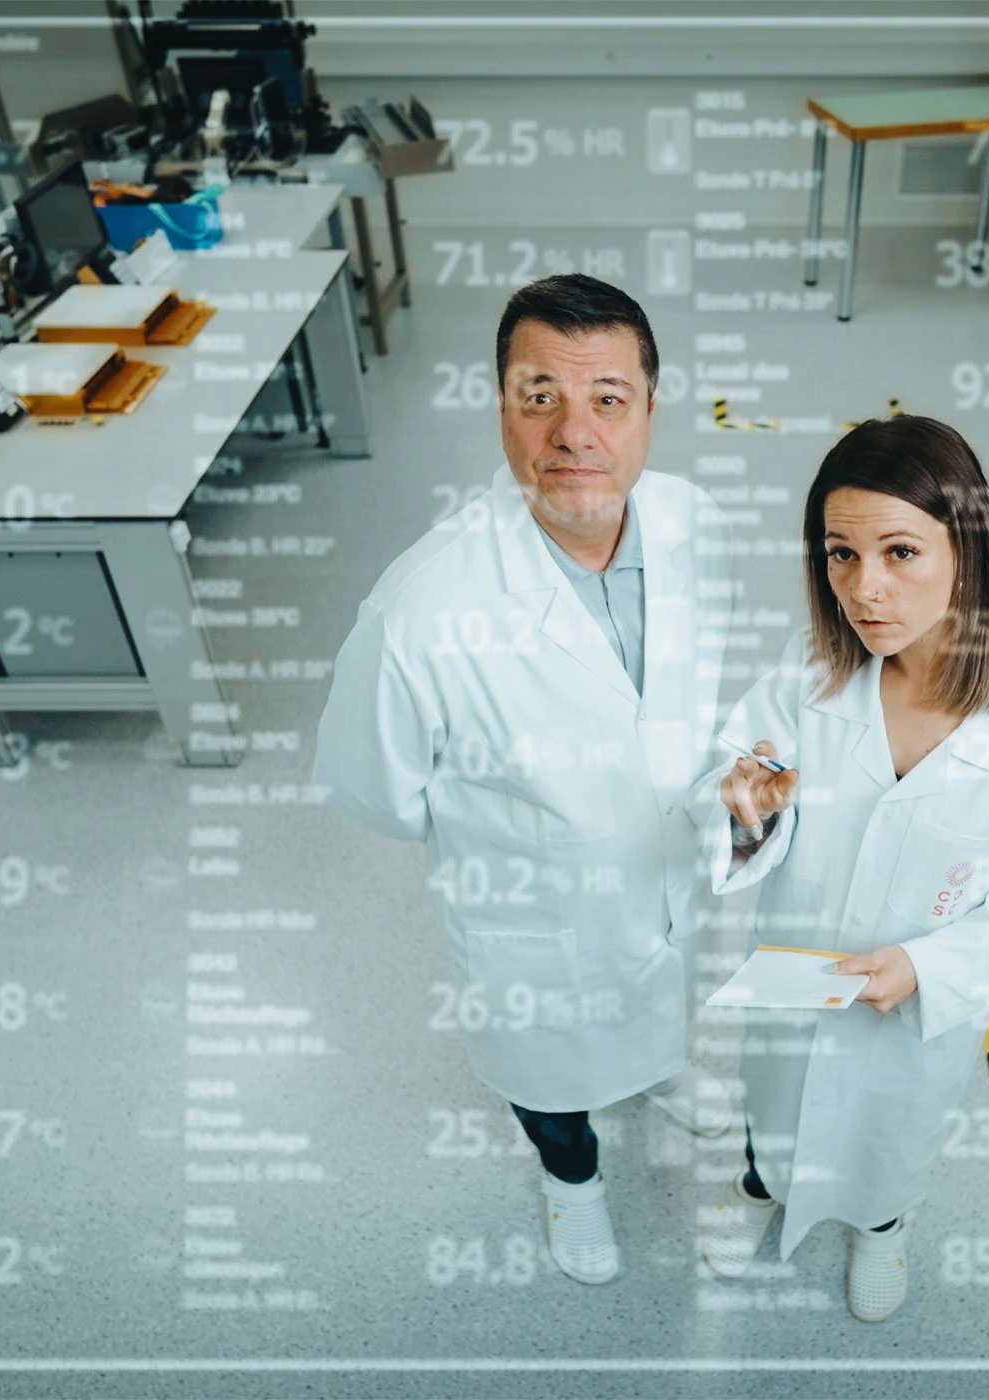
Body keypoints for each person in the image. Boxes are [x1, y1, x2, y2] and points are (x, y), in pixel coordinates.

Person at [314, 275, 732, 1286]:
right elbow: (376, 790)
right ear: (500, 404)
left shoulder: (690, 520)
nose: (574, 431)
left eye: (609, 399)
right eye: (539, 394)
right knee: (551, 1072)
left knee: (665, 991)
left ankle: (656, 1070)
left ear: (650, 410)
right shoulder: (423, 608)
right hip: (530, 921)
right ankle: (571, 1178)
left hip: (671, 873)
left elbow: (687, 697)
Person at [685, 416, 989, 1322]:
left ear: (965, 547)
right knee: (773, 1103)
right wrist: (740, 805)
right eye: (839, 556)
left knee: (893, 1132)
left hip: (922, 1004)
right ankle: (761, 1187)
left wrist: (934, 968)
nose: (865, 589)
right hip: (798, 972)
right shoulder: (812, 669)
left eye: (899, 552)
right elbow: (735, 764)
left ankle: (883, 1226)